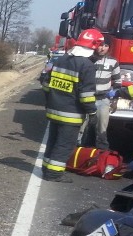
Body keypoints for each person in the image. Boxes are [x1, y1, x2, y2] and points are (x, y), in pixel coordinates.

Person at [40, 28, 101, 181]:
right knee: (64, 144)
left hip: (54, 109)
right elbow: (86, 95)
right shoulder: (86, 65)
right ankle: (54, 174)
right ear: (93, 46)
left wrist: (51, 100)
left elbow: (47, 84)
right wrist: (92, 112)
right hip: (71, 113)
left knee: (52, 141)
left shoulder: (61, 59)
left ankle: (47, 170)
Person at [79, 38, 121, 150]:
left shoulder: (113, 62)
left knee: (102, 129)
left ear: (109, 48)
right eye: (100, 45)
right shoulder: (88, 60)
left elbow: (117, 82)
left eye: (106, 45)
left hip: (103, 100)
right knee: (80, 126)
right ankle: (75, 149)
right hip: (87, 98)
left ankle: (101, 152)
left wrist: (115, 100)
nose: (102, 48)